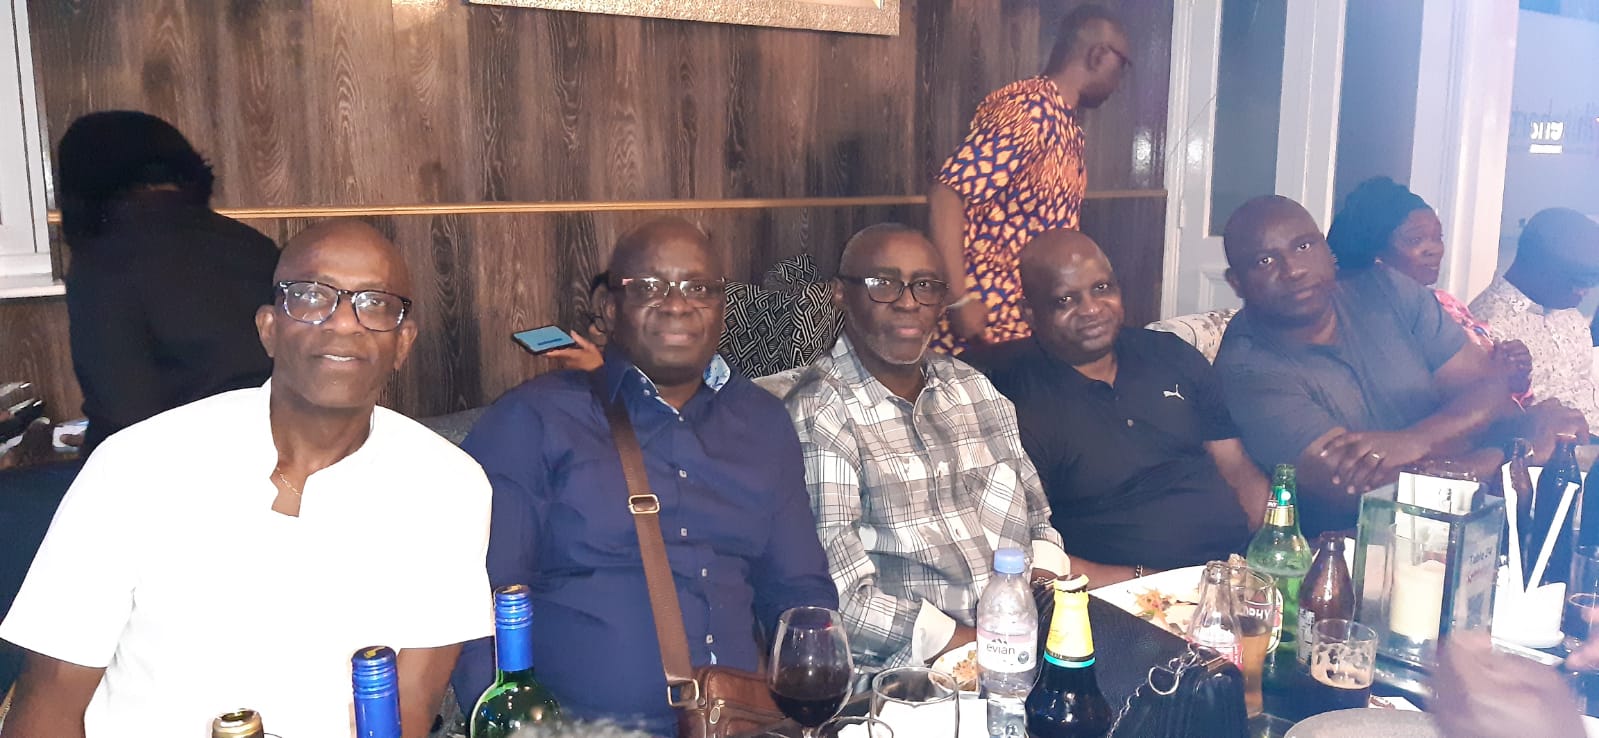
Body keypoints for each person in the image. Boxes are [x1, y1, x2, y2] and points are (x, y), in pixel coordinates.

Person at [0, 220, 493, 738]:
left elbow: (408, 711)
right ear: (268, 329)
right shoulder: (138, 466)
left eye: (374, 304)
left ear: (402, 343)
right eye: (312, 296)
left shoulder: (448, 487)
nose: (344, 323)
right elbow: (48, 707)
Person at [451, 218, 837, 734]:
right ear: (610, 308)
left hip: (744, 723)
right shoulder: (535, 421)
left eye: (699, 288)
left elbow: (798, 589)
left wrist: (809, 695)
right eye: (651, 287)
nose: (678, 305)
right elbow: (475, 609)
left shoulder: (764, 423)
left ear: (722, 307)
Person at [782, 223, 1066, 671]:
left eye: (926, 286)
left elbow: (1037, 518)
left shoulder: (972, 388)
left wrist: (1042, 608)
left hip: (1024, 640)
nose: (909, 302)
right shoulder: (821, 414)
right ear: (840, 294)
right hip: (918, 673)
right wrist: (982, 648)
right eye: (883, 284)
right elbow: (842, 597)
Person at [1213, 196, 1577, 537]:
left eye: (1304, 246)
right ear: (1236, 283)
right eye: (1265, 261)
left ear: (1328, 252)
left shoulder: (1386, 290)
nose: (1293, 270)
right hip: (1363, 544)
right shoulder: (1249, 368)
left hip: (1484, 521)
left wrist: (1411, 442)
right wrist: (1517, 458)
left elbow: (1491, 391)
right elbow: (1366, 492)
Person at [963, 229, 1262, 585]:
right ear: (1029, 313)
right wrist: (1148, 582)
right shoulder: (1010, 401)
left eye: (1101, 288)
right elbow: (1026, 549)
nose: (1091, 309)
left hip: (1231, 574)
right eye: (1065, 300)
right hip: (1126, 594)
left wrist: (1269, 547)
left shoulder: (1170, 354)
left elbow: (1235, 464)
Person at [55, 111, 281, 455]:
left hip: (175, 467)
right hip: (276, 454)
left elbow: (123, 415)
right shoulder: (253, 244)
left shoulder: (101, 260)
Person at [928, 4, 1130, 353]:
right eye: (1122, 64)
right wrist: (958, 299)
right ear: (1098, 55)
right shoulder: (1029, 110)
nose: (1120, 79)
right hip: (987, 326)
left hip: (1030, 319)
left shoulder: (1063, 120)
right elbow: (947, 193)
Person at [1326, 176, 1532, 400]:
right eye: (1415, 240)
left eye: (1437, 238)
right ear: (1375, 252)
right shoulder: (1374, 320)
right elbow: (1427, 395)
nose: (1434, 249)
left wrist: (1515, 372)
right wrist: (1498, 376)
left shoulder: (1446, 303)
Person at [1470, 208, 1599, 431]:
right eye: (1580, 281)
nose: (1585, 291)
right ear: (1539, 267)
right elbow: (1490, 421)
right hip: (1556, 447)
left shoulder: (1569, 314)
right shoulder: (1487, 327)